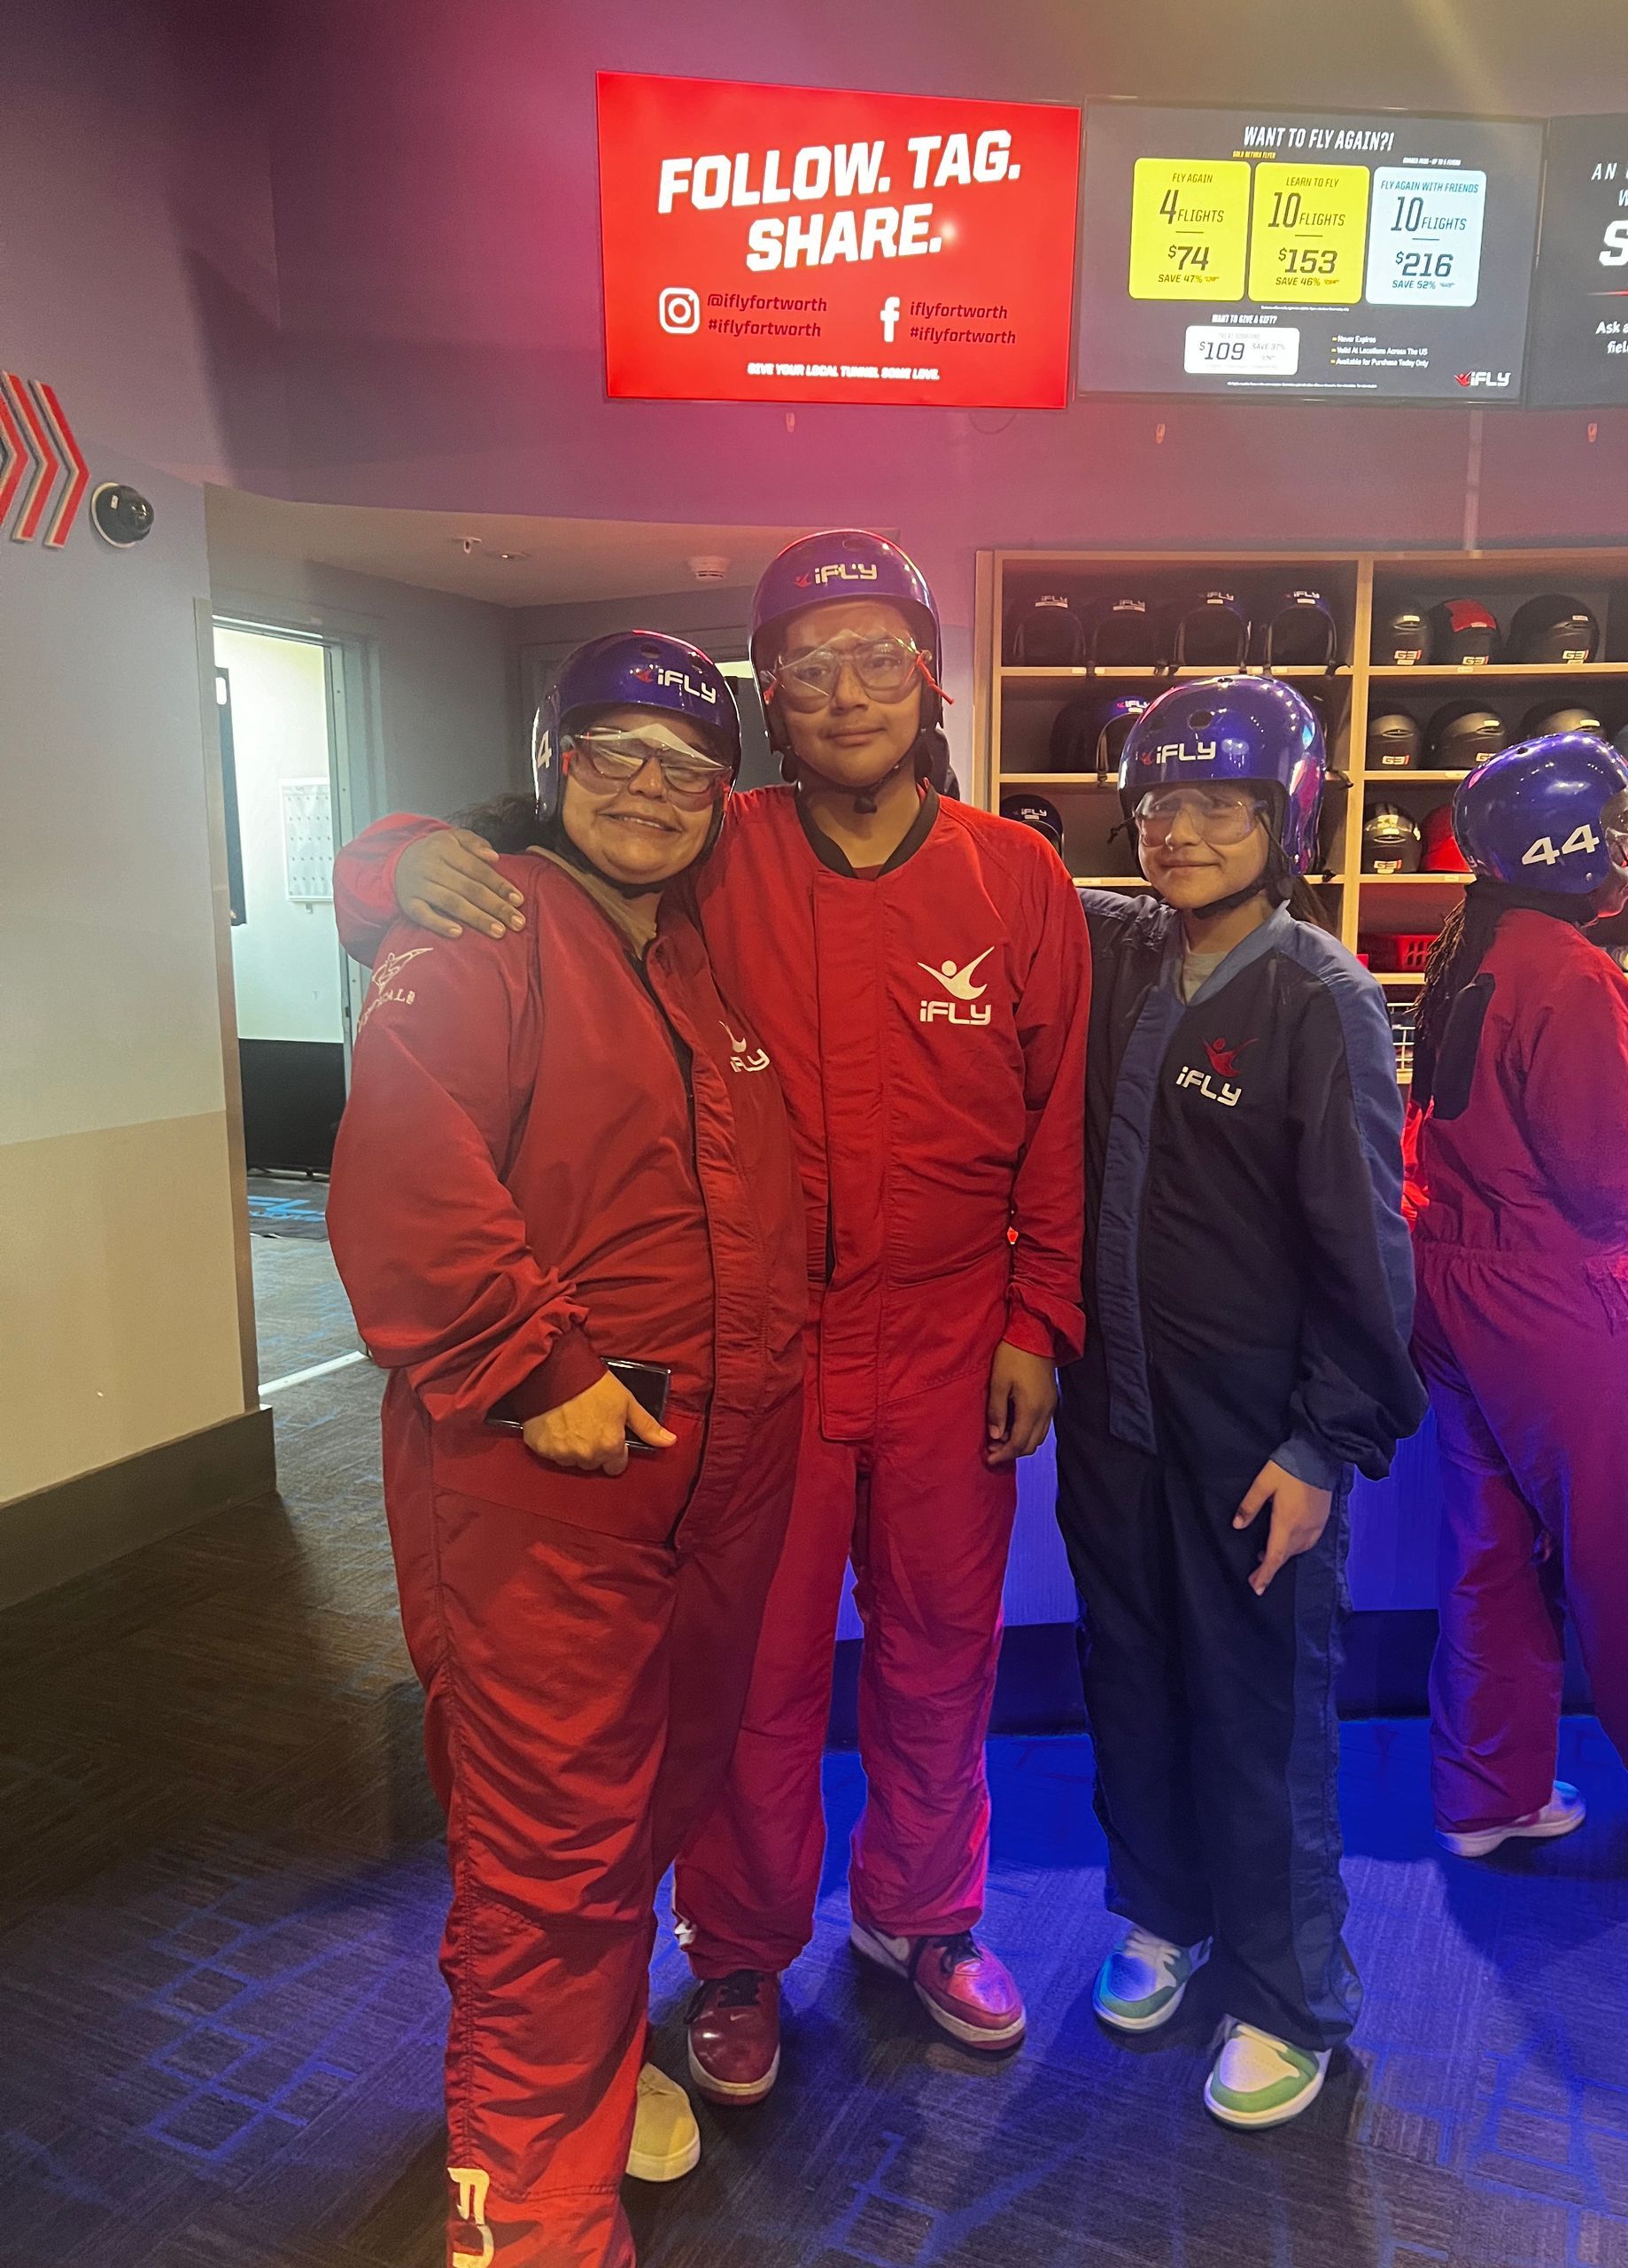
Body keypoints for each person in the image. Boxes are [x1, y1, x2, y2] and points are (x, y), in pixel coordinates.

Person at [331, 531, 1090, 2105]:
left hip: (956, 1341)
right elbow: (512, 854)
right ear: (773, 702)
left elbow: (1059, 1125)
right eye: (805, 667)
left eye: (878, 655)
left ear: (929, 677)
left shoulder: (1014, 877)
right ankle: (739, 1951)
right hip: (772, 1351)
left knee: (946, 1651)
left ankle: (923, 1918)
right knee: (750, 1672)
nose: (846, 691)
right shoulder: (710, 840)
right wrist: (386, 861)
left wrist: (1042, 1315)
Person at [327, 632, 805, 2268]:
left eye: (687, 767)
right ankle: (526, 2224)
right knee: (549, 1867)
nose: (653, 791)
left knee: (634, 1821)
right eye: (615, 756)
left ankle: (588, 2087)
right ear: (553, 768)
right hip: (544, 1486)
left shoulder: (687, 957)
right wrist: (534, 1365)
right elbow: (403, 1157)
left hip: (701, 1486)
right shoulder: (484, 930)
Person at [1052, 675, 1425, 2130]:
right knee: (1131, 1680)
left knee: (1264, 1715)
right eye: (1160, 802)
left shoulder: (1319, 999)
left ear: (1286, 819)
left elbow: (1366, 1252)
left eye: (1221, 805)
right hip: (1115, 1424)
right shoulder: (1109, 948)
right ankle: (1164, 1914)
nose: (1181, 831)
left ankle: (1290, 1997)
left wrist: (1323, 1445)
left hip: (1256, 1443)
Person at [1407, 731, 1628, 1857]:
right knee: (1622, 1554)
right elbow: (1609, 1169)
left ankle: (1492, 1790)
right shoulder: (1574, 970)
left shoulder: (1482, 949)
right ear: (1578, 840)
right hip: (1557, 1301)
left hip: (1461, 1286)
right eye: (1619, 822)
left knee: (1491, 1547)